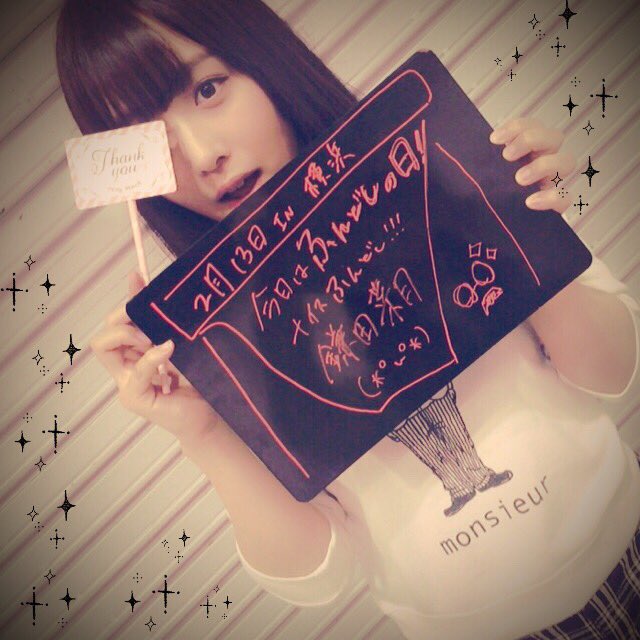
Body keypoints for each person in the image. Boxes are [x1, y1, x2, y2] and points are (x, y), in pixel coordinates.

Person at [55, 1, 640, 638]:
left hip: (625, 541)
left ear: (264, 59)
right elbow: (317, 573)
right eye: (148, 136)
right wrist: (202, 433)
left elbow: (615, 377)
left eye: (208, 88)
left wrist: (525, 235)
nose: (201, 156)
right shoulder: (215, 340)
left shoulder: (435, 169)